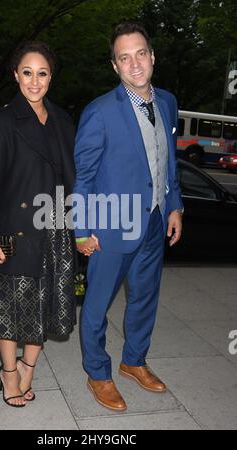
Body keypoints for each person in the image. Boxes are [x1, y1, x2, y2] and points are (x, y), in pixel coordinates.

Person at [73, 22, 183, 411]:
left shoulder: (167, 101)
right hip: (110, 228)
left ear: (152, 57)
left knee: (145, 299)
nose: (135, 64)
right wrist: (82, 230)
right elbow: (83, 177)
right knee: (98, 305)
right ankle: (98, 373)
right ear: (115, 66)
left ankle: (133, 361)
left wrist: (174, 206)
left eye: (140, 54)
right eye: (125, 57)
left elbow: (168, 162)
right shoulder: (99, 112)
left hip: (154, 223)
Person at [0, 41, 76, 407]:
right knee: (10, 308)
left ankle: (28, 368)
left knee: (45, 306)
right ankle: (9, 372)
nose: (35, 81)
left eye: (42, 73)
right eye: (27, 72)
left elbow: (71, 180)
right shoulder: (2, 120)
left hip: (56, 229)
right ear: (16, 75)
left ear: (51, 76)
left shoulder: (63, 120)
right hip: (14, 228)